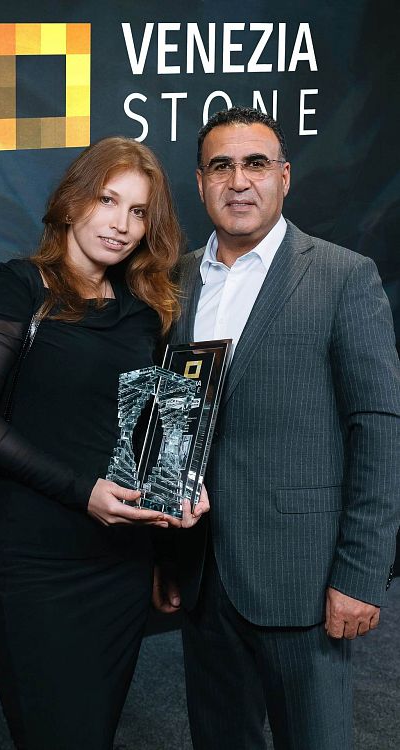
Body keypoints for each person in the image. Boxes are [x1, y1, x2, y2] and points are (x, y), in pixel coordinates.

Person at [0, 136, 208, 750]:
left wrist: (178, 494)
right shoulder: (20, 287)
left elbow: (151, 434)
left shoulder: (146, 309)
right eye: (107, 200)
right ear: (71, 201)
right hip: (31, 563)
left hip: (119, 566)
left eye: (138, 211)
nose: (121, 224)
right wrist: (82, 490)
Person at [153, 106, 400, 749]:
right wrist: (171, 556)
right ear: (200, 182)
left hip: (304, 578)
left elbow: (378, 432)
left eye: (256, 164)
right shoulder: (174, 282)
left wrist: (360, 575)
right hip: (204, 576)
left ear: (284, 177)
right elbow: (175, 422)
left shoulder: (343, 276)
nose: (239, 181)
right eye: (221, 167)